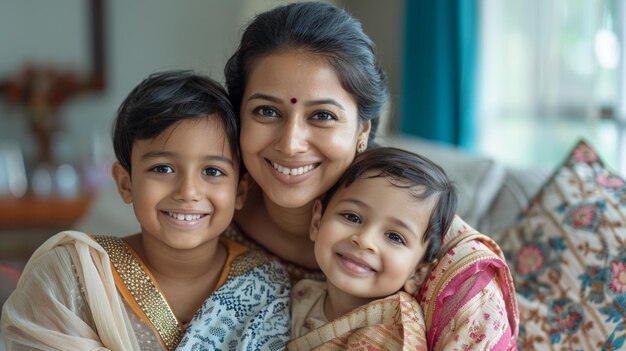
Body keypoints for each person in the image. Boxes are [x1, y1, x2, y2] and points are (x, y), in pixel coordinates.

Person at [210, 1, 518, 349]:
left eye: (323, 116)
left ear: (362, 131)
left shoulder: (451, 266)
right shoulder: (205, 210)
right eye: (266, 111)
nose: (291, 143)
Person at [0, 70, 291, 351]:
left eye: (212, 171)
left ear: (240, 191)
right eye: (162, 168)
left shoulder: (266, 286)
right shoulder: (70, 276)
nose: (188, 192)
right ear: (125, 184)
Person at [288, 147, 457, 350]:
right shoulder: (300, 295)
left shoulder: (398, 335)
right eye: (352, 217)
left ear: (418, 273)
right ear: (317, 222)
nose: (364, 240)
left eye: (395, 237)